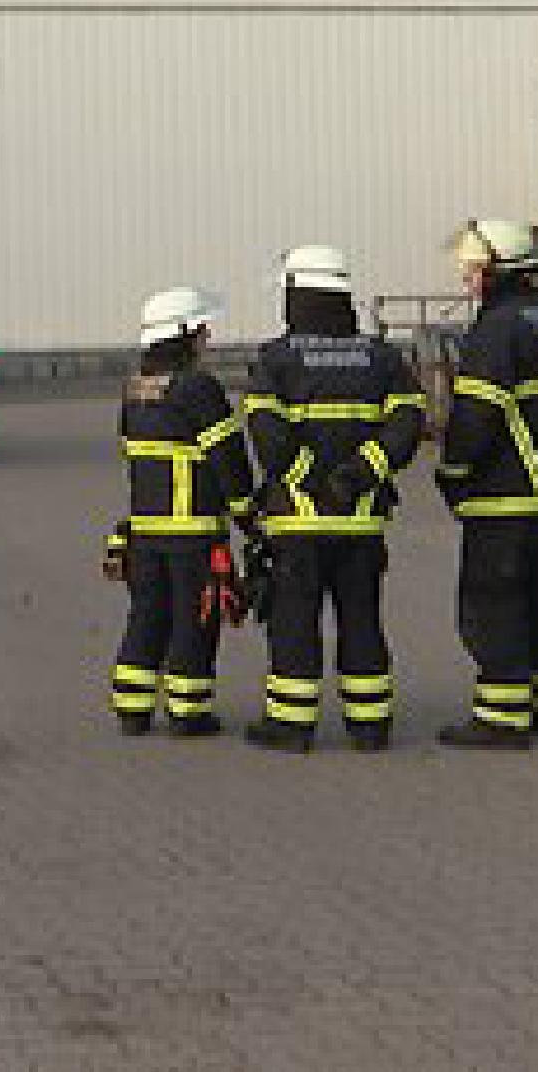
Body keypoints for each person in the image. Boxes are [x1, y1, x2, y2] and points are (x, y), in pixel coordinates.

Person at [239, 246, 426, 753]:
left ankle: (292, 724)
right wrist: (362, 472)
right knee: (362, 619)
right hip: (362, 522)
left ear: (297, 294)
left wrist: (309, 479)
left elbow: (267, 433)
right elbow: (408, 422)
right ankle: (370, 725)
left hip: (298, 525)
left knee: (294, 622)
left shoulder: (276, 358)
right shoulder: (381, 356)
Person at [434, 219, 538, 750]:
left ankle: (501, 717)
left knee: (492, 604)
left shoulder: (496, 329)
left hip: (502, 500)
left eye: (474, 269)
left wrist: (453, 474)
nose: (468, 280)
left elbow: (474, 417)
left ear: (498, 269)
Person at [109, 287, 257, 737]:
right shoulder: (199, 389)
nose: (206, 338)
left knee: (147, 614)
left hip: (145, 531)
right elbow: (228, 458)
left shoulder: (135, 388)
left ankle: (132, 709)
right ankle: (188, 712)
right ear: (184, 334)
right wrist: (247, 513)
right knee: (195, 617)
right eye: (202, 329)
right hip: (193, 533)